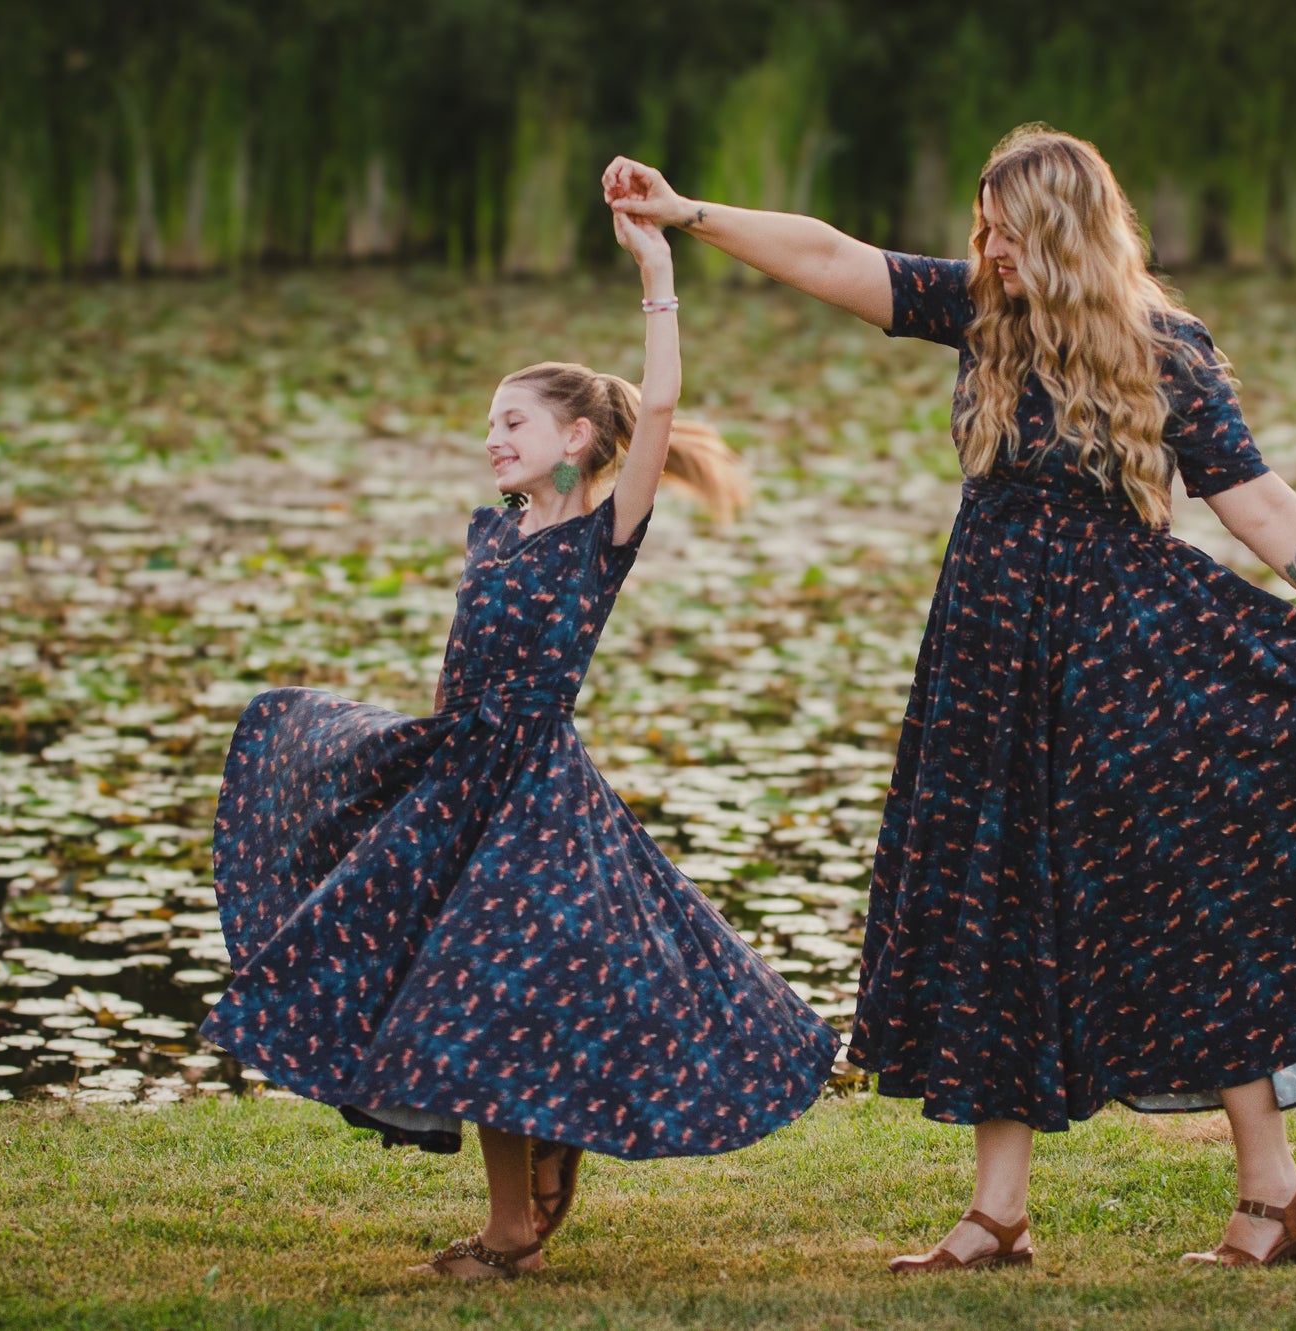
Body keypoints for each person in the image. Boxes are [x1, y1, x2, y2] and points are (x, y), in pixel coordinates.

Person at [605, 125, 1296, 1271]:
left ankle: (1270, 1190)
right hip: (990, 665)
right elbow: (834, 255)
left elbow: (1257, 502)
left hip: (1125, 666)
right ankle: (998, 1214)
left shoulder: (1163, 349)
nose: (984, 245)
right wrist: (689, 213)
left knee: (1184, 903)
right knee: (997, 907)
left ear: (1061, 233)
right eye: (979, 227)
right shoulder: (981, 313)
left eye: (1004, 229)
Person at [200, 206, 840, 1281]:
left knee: (487, 992)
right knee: (449, 977)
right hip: (455, 775)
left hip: (536, 790)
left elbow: (666, 400)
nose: (493, 436)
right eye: (489, 421)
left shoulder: (602, 535)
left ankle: (510, 1228)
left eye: (514, 421)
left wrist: (657, 273)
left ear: (577, 440)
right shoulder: (492, 528)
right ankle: (527, 1183)